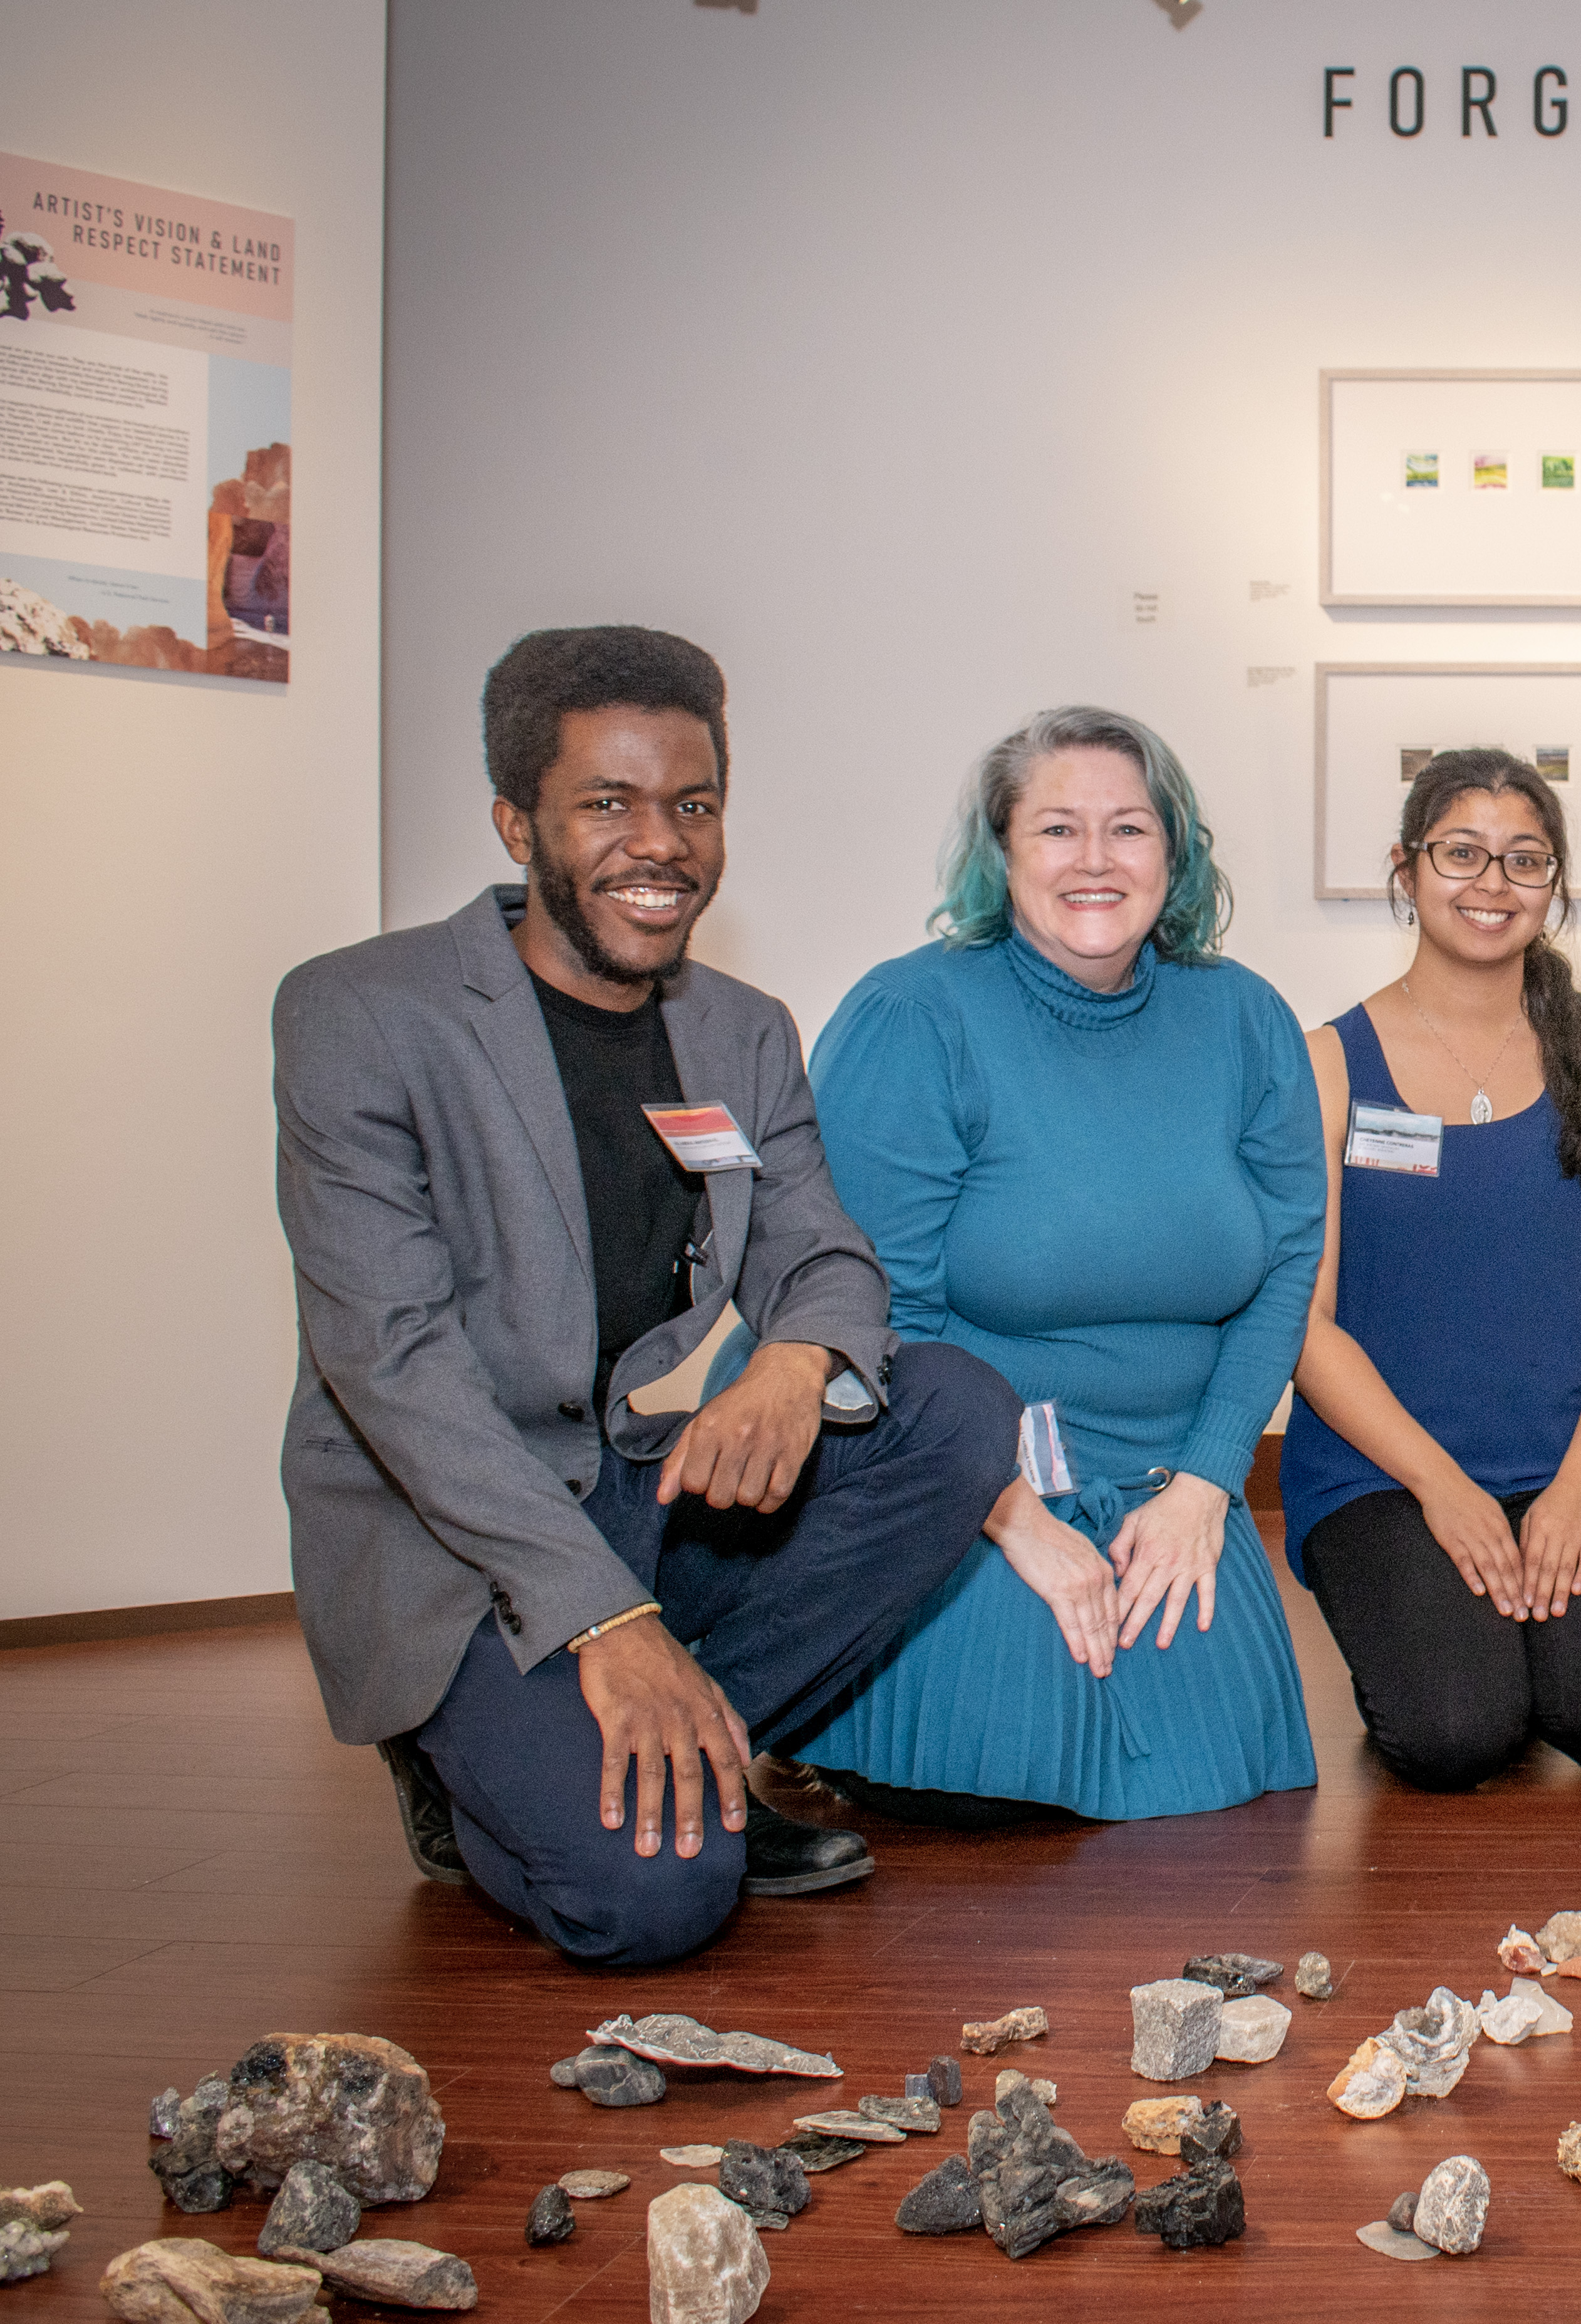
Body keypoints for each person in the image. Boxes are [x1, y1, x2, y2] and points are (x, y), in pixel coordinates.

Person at [272, 626, 1022, 1967]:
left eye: (692, 802)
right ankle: (492, 1775)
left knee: (954, 1409)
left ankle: (693, 1751)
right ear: (518, 822)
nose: (659, 842)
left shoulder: (741, 1028)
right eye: (607, 803)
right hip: (454, 1527)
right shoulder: (359, 1016)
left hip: (630, 1484)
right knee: (653, 1904)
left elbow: (833, 1263)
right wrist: (608, 1621)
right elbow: (391, 1368)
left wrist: (794, 1364)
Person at [790, 706, 1323, 1821]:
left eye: (1129, 829)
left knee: (1222, 1784)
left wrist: (1210, 1481)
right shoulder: (912, 1016)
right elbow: (877, 1309)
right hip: (955, 1470)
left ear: (1174, 854)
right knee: (1002, 1776)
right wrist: (1011, 1513)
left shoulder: (1244, 1019)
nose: (1094, 860)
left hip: (1170, 1477)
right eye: (1056, 829)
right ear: (1000, 852)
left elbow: (1286, 1265)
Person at [1283, 749, 1581, 1790]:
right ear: (1407, 869)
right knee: (1458, 1730)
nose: (1491, 883)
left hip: (1570, 1459)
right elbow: (1306, 1320)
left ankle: (1522, 1639)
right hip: (1384, 1473)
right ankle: (1469, 1651)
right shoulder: (1328, 1064)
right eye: (1462, 853)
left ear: (1553, 887)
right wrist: (1443, 1489)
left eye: (1524, 860)